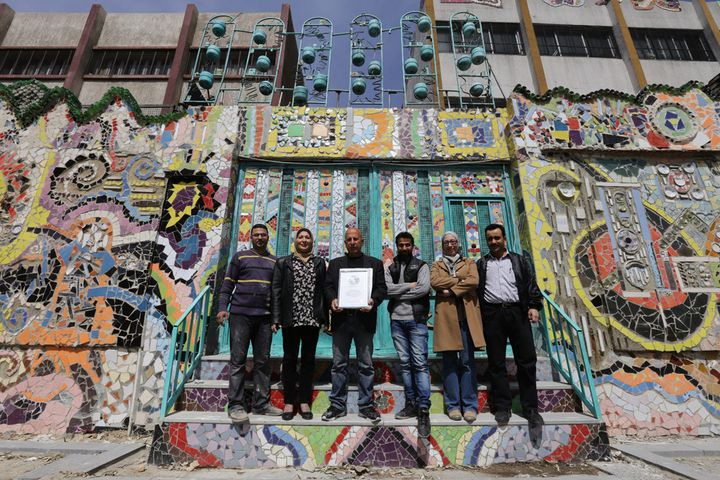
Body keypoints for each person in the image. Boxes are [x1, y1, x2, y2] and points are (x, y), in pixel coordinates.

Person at [476, 223, 544, 434]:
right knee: (496, 362)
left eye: (497, 238)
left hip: (517, 312)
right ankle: (502, 407)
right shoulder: (482, 264)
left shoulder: (519, 261)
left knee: (526, 360)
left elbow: (531, 284)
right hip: (492, 314)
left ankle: (531, 408)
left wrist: (533, 305)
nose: (494, 242)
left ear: (504, 239)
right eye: (490, 239)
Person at [216, 223, 282, 422]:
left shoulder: (274, 262)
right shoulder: (240, 257)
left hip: (264, 318)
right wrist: (222, 308)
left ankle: (262, 404)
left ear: (268, 237)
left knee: (263, 361)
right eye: (256, 235)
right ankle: (235, 405)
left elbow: (276, 293)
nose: (260, 238)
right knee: (238, 360)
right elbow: (227, 285)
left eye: (263, 235)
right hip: (240, 316)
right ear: (251, 237)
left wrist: (275, 319)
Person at [322, 228, 387, 422]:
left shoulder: (374, 264)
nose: (352, 242)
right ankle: (337, 405)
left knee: (366, 365)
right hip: (341, 321)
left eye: (355, 239)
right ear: (344, 242)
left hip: (364, 321)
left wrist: (373, 301)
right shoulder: (335, 265)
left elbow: (381, 288)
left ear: (362, 241)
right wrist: (332, 299)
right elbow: (327, 287)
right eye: (349, 239)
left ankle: (366, 405)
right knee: (338, 365)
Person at [271, 228, 327, 421]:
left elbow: (324, 292)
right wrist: (276, 318)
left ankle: (303, 400)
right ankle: (289, 401)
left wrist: (326, 319)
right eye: (300, 237)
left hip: (312, 319)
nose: (304, 240)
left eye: (307, 237)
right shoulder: (283, 262)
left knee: (308, 360)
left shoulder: (320, 263)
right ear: (295, 241)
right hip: (291, 319)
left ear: (312, 241)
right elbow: (276, 290)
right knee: (289, 359)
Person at [430, 231, 485, 423]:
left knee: (467, 362)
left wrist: (451, 290)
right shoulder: (437, 265)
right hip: (446, 319)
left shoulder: (469, 262)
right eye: (447, 242)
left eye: (453, 241)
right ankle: (453, 405)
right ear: (442, 245)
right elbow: (435, 282)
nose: (450, 245)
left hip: (466, 318)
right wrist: (460, 282)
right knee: (450, 363)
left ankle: (469, 405)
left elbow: (474, 281)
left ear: (458, 244)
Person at [385, 232, 432, 438]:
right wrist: (408, 287)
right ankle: (410, 403)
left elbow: (423, 289)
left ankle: (423, 408)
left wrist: (399, 291)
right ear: (397, 246)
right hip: (397, 320)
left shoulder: (422, 266)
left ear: (413, 246)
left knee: (419, 363)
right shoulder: (391, 267)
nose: (404, 248)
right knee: (405, 363)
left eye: (407, 245)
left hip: (416, 320)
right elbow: (387, 290)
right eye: (400, 245)